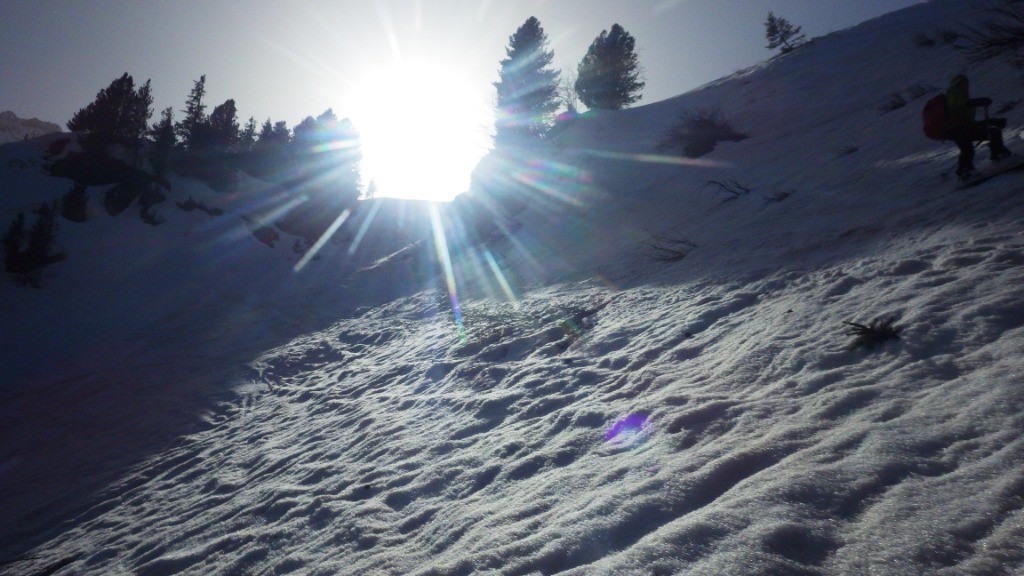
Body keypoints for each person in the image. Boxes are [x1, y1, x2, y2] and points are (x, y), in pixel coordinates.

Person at [944, 74, 1012, 179]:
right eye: (962, 83)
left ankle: (999, 154)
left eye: (966, 82)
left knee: (992, 132)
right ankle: (965, 172)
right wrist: (976, 102)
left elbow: (967, 121)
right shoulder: (953, 92)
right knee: (967, 148)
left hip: (963, 129)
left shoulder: (963, 96)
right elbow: (956, 106)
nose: (965, 85)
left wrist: (990, 122)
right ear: (956, 85)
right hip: (955, 130)